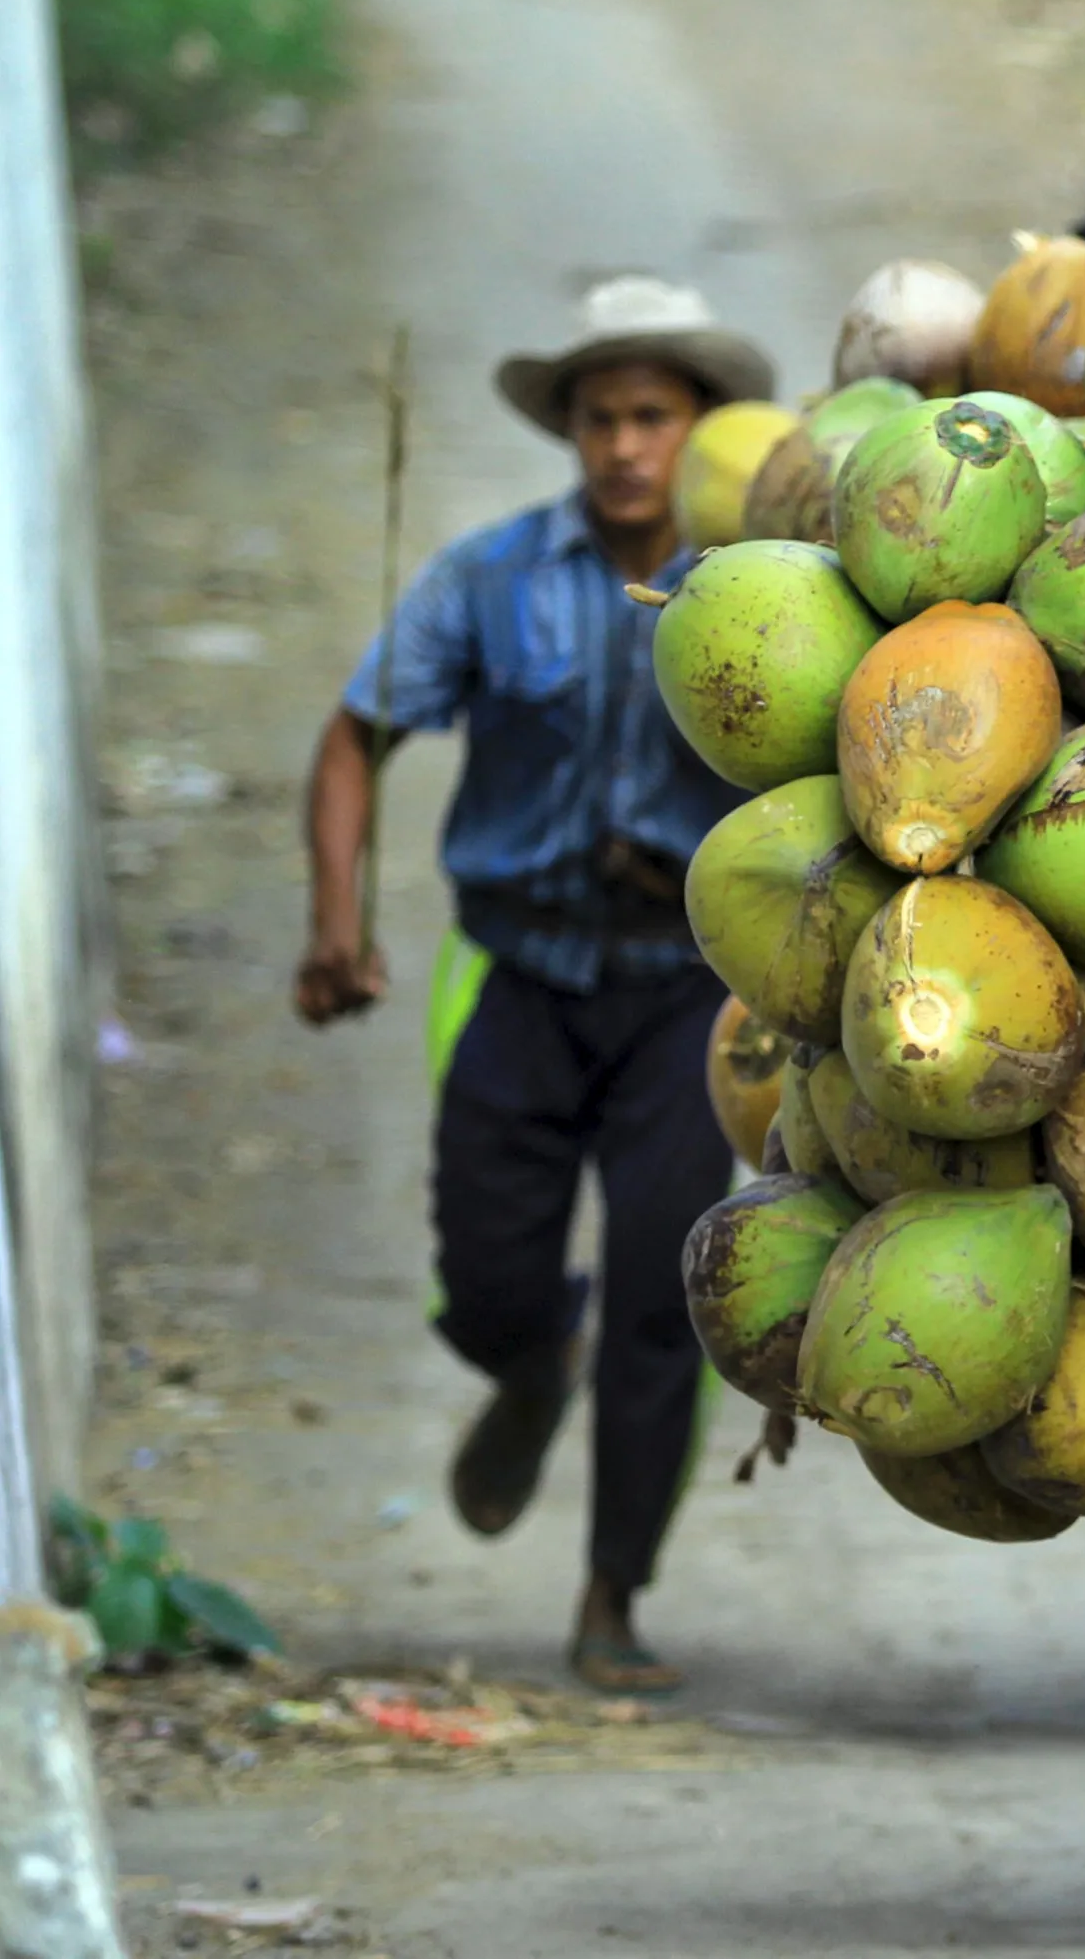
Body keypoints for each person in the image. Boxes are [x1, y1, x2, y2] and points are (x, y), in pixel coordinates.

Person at [294, 276, 775, 1695]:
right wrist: (337, 923)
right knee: (487, 1282)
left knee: (659, 1297)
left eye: (653, 416)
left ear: (697, 430)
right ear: (568, 430)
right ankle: (524, 1348)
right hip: (518, 972)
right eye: (599, 418)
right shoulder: (490, 576)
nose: (625, 445)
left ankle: (612, 1599)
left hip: (689, 999)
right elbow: (353, 737)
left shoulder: (761, 590)